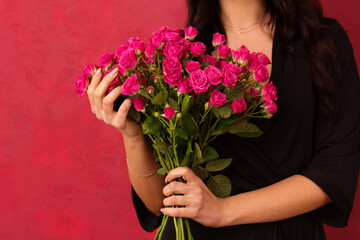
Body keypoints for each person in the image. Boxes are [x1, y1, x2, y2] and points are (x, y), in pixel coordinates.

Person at [86, 0, 360, 239]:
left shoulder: (325, 42)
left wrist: (223, 210)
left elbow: (335, 171)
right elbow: (161, 203)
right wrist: (132, 134)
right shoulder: (180, 53)